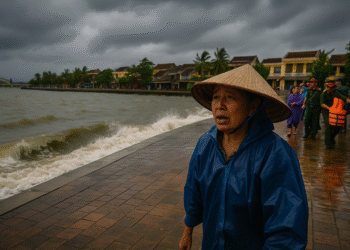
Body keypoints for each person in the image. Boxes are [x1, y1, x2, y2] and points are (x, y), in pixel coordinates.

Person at [180, 65, 308, 249]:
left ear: (252, 107)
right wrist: (187, 231)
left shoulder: (275, 154)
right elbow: (194, 191)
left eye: (230, 97)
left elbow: (286, 232)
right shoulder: (205, 144)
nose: (219, 105)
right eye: (216, 97)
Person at [320, 79, 350, 149]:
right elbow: (322, 104)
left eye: (332, 87)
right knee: (328, 126)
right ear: (326, 87)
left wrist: (349, 100)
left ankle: (332, 137)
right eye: (329, 87)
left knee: (338, 126)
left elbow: (344, 98)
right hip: (326, 112)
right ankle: (328, 143)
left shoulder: (335, 92)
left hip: (335, 112)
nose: (330, 89)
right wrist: (329, 108)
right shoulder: (323, 94)